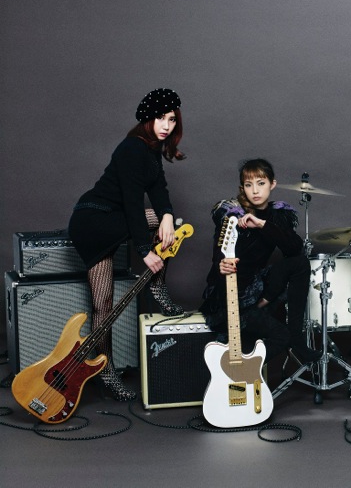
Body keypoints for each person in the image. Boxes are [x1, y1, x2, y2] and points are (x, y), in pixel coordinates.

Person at [68, 88, 186, 401]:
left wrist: (167, 215)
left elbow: (158, 189)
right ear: (147, 119)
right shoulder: (132, 148)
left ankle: (104, 371)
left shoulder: (152, 149)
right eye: (160, 118)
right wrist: (145, 251)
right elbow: (133, 203)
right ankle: (157, 288)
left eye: (172, 119)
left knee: (103, 303)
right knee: (160, 224)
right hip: (93, 219)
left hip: (111, 219)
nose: (166, 125)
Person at [200, 158, 322, 365]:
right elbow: (219, 252)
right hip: (231, 296)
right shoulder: (231, 214)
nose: (255, 191)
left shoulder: (277, 215)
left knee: (300, 262)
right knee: (280, 337)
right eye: (249, 185)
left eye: (261, 183)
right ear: (243, 188)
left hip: (256, 286)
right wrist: (222, 264)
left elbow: (294, 248)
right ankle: (245, 368)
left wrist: (262, 224)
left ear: (272, 184)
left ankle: (297, 338)